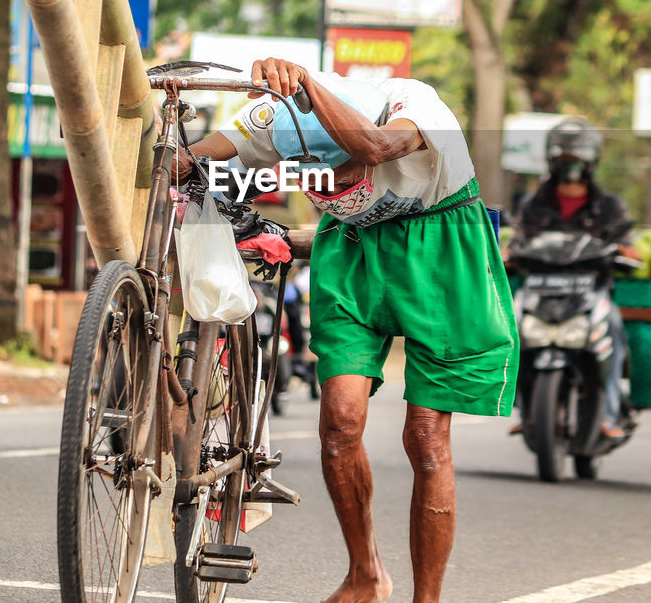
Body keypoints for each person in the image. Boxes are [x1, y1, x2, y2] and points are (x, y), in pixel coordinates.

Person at [176, 58, 516, 603]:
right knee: (339, 422)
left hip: (442, 247)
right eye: (317, 178)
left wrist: (307, 79)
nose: (330, 185)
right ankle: (365, 574)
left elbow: (377, 149)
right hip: (354, 252)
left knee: (426, 436)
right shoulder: (274, 119)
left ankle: (426, 600)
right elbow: (194, 157)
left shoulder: (415, 107)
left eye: (339, 171)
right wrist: (167, 155)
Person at [510, 117, 634, 439]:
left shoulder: (609, 206)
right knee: (513, 336)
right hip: (538, 291)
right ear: (551, 161)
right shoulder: (531, 204)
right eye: (563, 159)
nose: (569, 166)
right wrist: (507, 255)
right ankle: (525, 408)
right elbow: (516, 242)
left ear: (591, 161)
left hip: (591, 292)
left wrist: (624, 252)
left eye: (576, 159)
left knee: (614, 335)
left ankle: (608, 415)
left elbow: (629, 245)